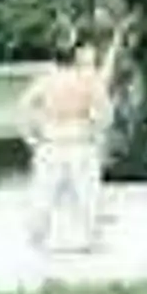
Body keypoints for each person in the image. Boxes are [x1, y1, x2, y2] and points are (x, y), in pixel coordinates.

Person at [19, 28, 118, 256]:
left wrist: (30, 136)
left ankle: (37, 236)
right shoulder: (86, 80)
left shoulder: (46, 80)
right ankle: (93, 237)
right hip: (79, 139)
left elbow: (25, 105)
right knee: (88, 194)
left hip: (51, 141)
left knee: (43, 193)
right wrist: (96, 131)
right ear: (74, 57)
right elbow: (106, 111)